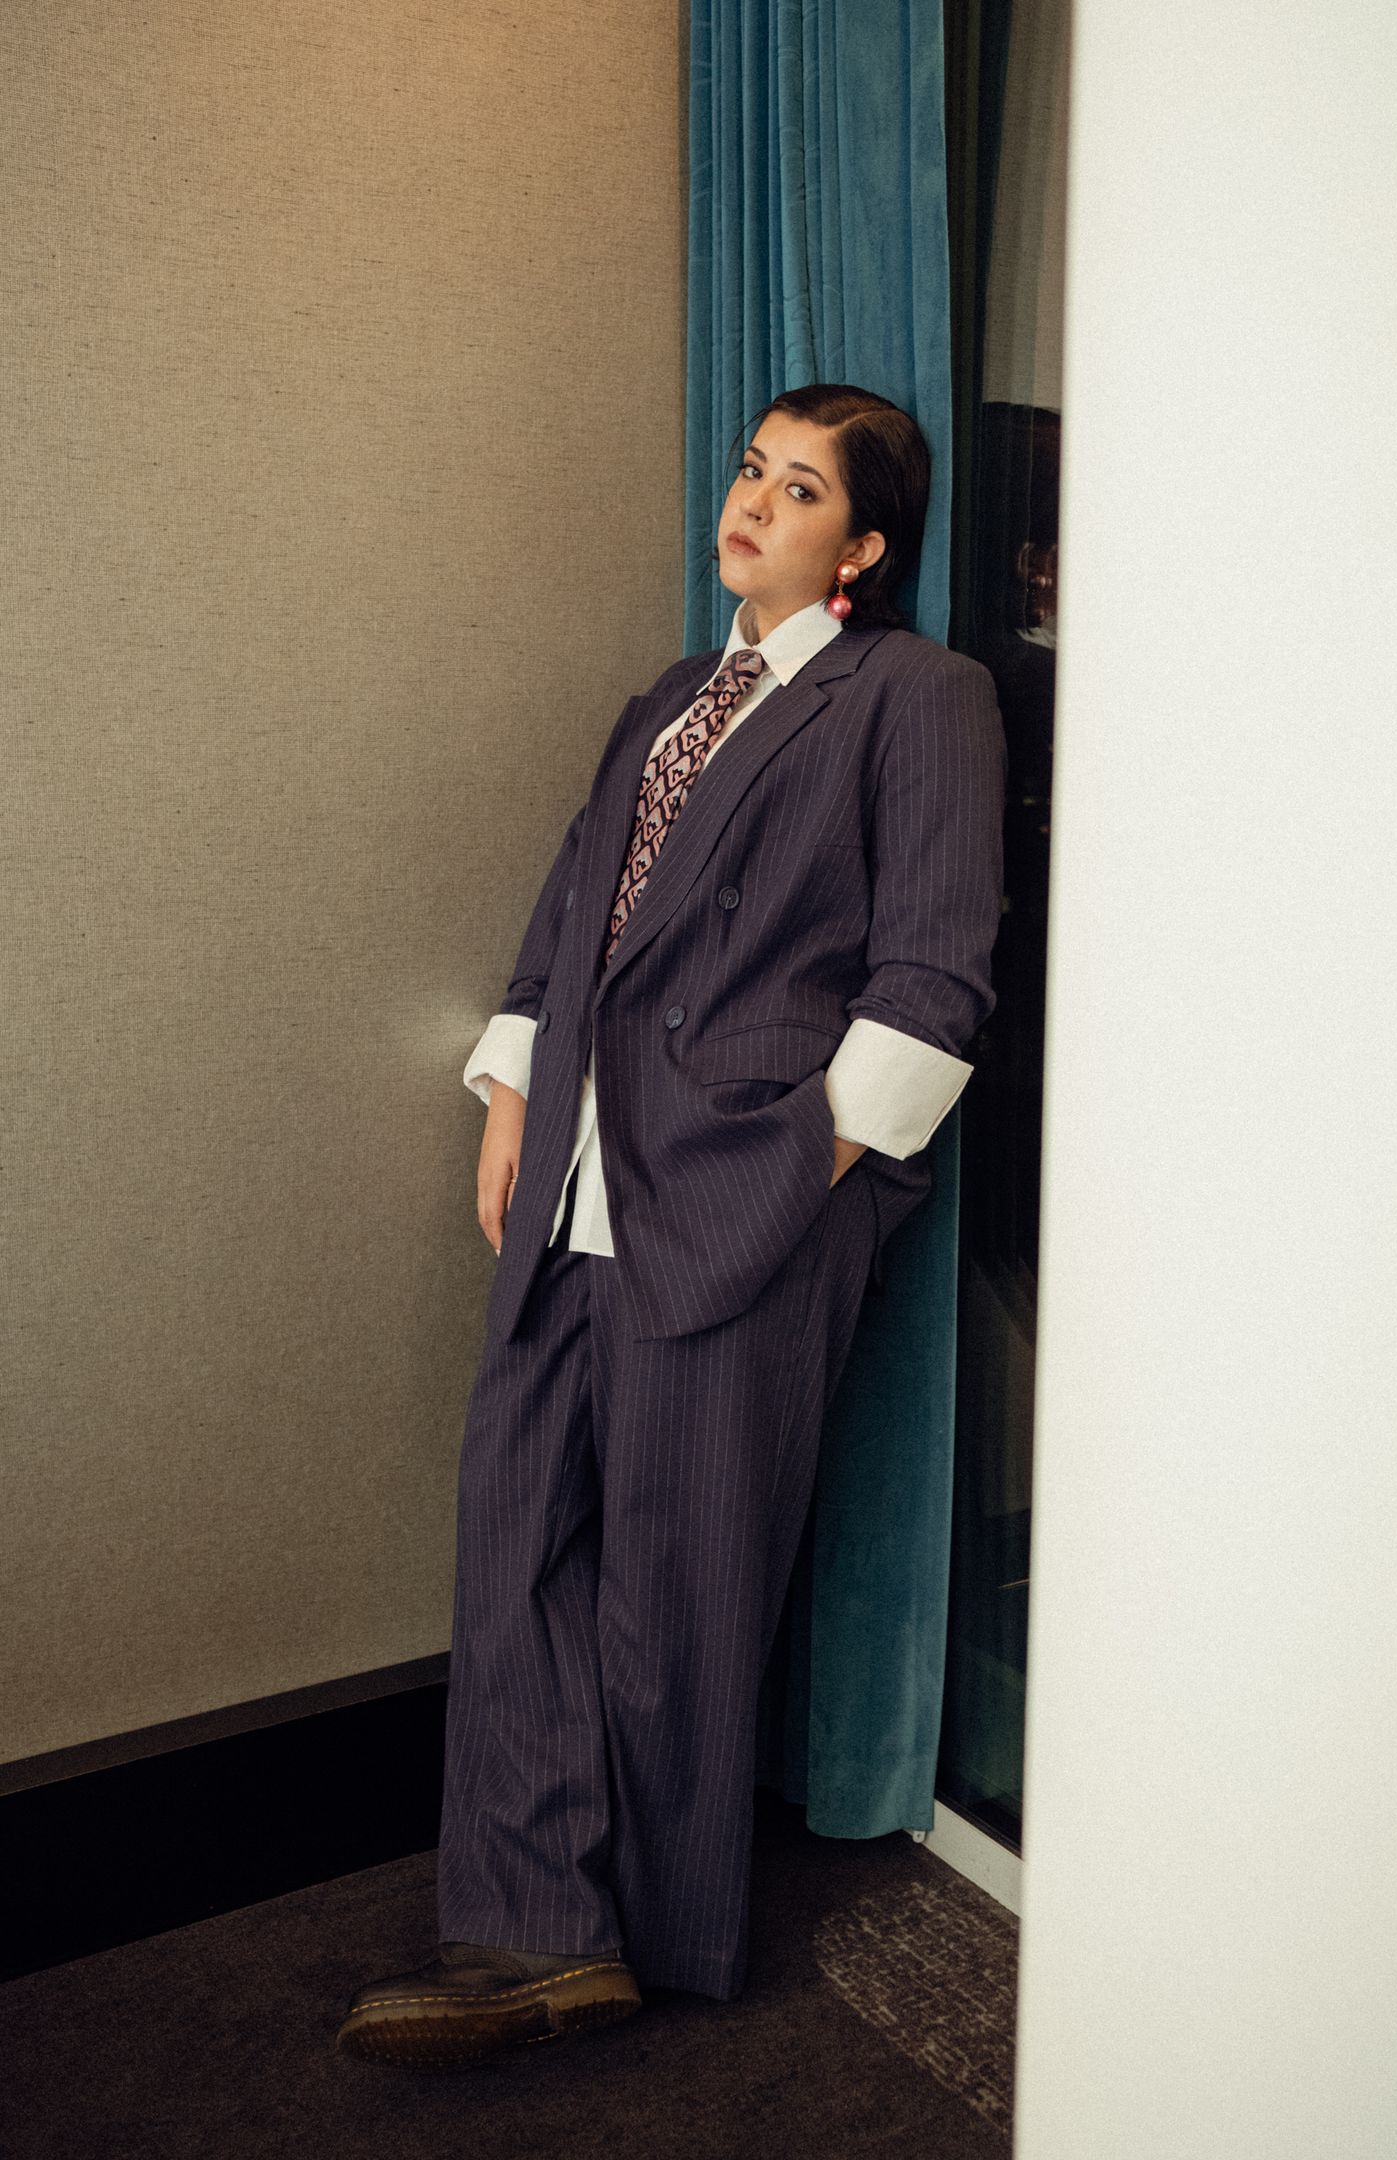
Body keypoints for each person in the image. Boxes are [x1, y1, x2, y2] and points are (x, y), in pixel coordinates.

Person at [336, 382, 1007, 2068]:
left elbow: (934, 976)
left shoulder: (917, 696)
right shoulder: (667, 698)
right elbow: (575, 904)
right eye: (752, 469)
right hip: (577, 1172)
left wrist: (798, 1172)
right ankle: (534, 1927)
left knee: (680, 1574)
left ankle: (651, 1938)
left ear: (862, 548)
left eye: (802, 490)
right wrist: (512, 1091)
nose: (754, 501)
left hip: (743, 1193)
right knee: (517, 1539)